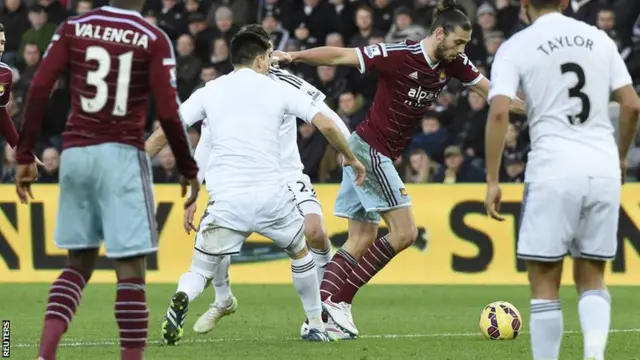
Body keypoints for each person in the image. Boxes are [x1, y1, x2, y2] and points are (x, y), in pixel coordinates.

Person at [274, 0, 526, 337]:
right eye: (458, 42)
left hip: (365, 151)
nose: (461, 50)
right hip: (368, 150)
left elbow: (494, 92)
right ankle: (340, 302)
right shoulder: (397, 54)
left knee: (360, 238)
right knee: (405, 232)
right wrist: (294, 57)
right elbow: (341, 55)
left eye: (465, 44)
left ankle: (317, 319)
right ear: (440, 33)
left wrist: (540, 109)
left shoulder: (454, 62)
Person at [153, 26, 365, 344]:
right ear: (262, 58)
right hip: (271, 194)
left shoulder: (212, 91)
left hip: (251, 189)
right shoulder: (271, 90)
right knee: (300, 250)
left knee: (202, 266)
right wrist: (351, 154)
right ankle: (314, 320)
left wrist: (149, 170)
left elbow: (170, 130)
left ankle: (189, 294)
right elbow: (324, 119)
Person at [14, 1, 201, 359]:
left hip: (77, 154)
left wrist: (24, 153)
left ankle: (44, 355)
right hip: (122, 155)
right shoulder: (152, 37)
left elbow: (39, 87)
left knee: (77, 266)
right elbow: (167, 112)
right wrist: (188, 167)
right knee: (130, 270)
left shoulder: (74, 28)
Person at [483, 1, 640, 359]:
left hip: (553, 168)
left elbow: (498, 112)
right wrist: (618, 157)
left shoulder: (517, 45)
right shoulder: (599, 39)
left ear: (524, 5)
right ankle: (595, 354)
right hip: (601, 168)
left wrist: (493, 179)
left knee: (543, 278)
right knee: (592, 274)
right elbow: (631, 104)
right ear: (566, 2)